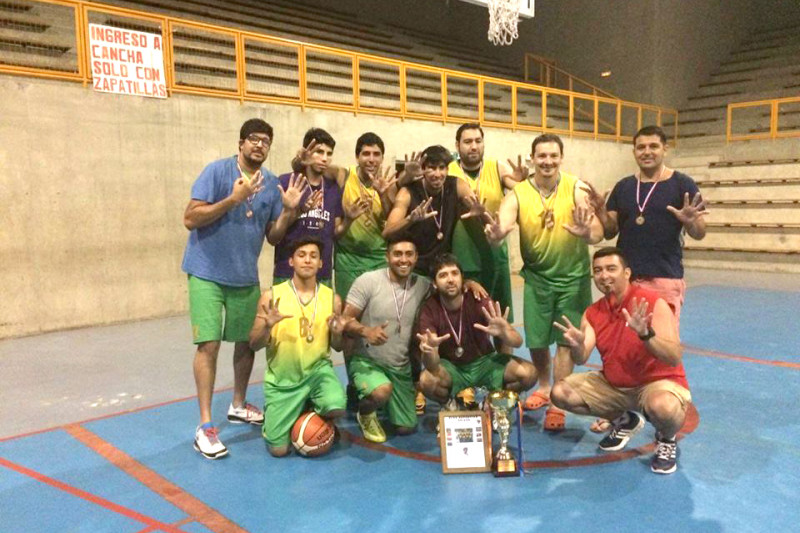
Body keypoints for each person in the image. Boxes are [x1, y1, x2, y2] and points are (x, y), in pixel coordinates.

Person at [182, 118, 308, 459]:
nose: (259, 145)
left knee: (246, 343)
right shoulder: (217, 172)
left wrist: (289, 212)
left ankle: (238, 404)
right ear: (240, 144)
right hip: (206, 272)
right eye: (253, 139)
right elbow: (190, 218)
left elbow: (273, 236)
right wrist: (232, 200)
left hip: (244, 276)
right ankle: (205, 426)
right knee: (208, 344)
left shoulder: (269, 184)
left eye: (266, 141)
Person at [583, 124, 706, 433]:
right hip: (626, 280)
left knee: (659, 347)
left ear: (665, 148)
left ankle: (663, 409)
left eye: (653, 146)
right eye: (641, 147)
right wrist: (600, 211)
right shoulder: (624, 187)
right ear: (634, 151)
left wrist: (691, 223)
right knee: (620, 346)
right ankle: (622, 409)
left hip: (664, 278)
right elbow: (610, 231)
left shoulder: (682, 184)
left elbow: (700, 232)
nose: (647, 152)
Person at [484, 133, 603, 431]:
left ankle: (558, 399)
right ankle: (544, 386)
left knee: (565, 340)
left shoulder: (577, 187)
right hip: (537, 278)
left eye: (553, 156)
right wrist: (498, 235)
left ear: (561, 158)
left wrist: (586, 231)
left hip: (572, 279)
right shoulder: (518, 193)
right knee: (537, 340)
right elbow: (503, 223)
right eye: (542, 156)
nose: (547, 161)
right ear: (532, 158)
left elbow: (598, 235)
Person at [551, 247, 691, 475]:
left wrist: (646, 335)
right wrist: (576, 346)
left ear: (627, 273)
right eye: (597, 270)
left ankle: (667, 439)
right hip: (615, 385)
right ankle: (625, 420)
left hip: (656, 384)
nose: (604, 275)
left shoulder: (654, 303)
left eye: (611, 268)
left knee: (664, 408)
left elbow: (673, 357)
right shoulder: (593, 312)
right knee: (560, 393)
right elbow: (582, 357)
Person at [249, 237, 349, 457]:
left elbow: (338, 347)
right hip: (283, 381)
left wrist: (338, 333)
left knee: (337, 405)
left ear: (321, 264)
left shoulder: (332, 299)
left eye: (313, 256)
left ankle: (311, 407)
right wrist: (266, 326)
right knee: (279, 450)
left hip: (317, 374)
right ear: (291, 261)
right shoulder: (271, 296)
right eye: (301, 255)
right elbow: (254, 344)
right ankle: (281, 413)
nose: (307, 260)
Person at [416, 254, 537, 407]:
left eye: (455, 273)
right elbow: (432, 366)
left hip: (485, 362)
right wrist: (430, 350)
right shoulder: (429, 308)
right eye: (443, 275)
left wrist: (505, 333)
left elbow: (518, 342)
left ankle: (494, 402)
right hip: (452, 368)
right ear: (434, 283)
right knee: (427, 381)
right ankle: (451, 404)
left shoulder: (478, 299)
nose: (450, 279)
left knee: (528, 373)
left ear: (462, 277)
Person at [342, 238, 431, 442]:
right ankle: (364, 412)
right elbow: (345, 319)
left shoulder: (423, 285)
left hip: (400, 367)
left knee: (406, 427)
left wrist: (469, 282)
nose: (403, 259)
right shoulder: (368, 281)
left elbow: (449, 289)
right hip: (367, 361)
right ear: (387, 256)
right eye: (397, 254)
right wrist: (366, 331)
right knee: (382, 390)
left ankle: (388, 402)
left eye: (409, 254)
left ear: (416, 257)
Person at [448, 123, 525, 328]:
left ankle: (504, 359)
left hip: (495, 256)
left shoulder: (498, 168)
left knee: (502, 320)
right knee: (466, 324)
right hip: (463, 259)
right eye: (467, 142)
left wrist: (523, 182)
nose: (473, 146)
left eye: (478, 141)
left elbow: (521, 192)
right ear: (457, 145)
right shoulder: (448, 171)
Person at [273, 128, 370, 287]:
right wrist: (298, 210)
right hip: (287, 271)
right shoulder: (286, 182)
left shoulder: (333, 188)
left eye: (329, 153)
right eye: (319, 152)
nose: (324, 158)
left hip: (322, 274)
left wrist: (349, 220)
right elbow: (275, 234)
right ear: (307, 152)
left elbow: (335, 232)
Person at [382, 145, 487, 277]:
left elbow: (480, 211)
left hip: (443, 266)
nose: (437, 174)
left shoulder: (456, 185)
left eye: (442, 168)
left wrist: (480, 215)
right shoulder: (408, 192)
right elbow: (387, 232)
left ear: (447, 169)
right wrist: (410, 220)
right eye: (432, 168)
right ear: (423, 169)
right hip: (414, 268)